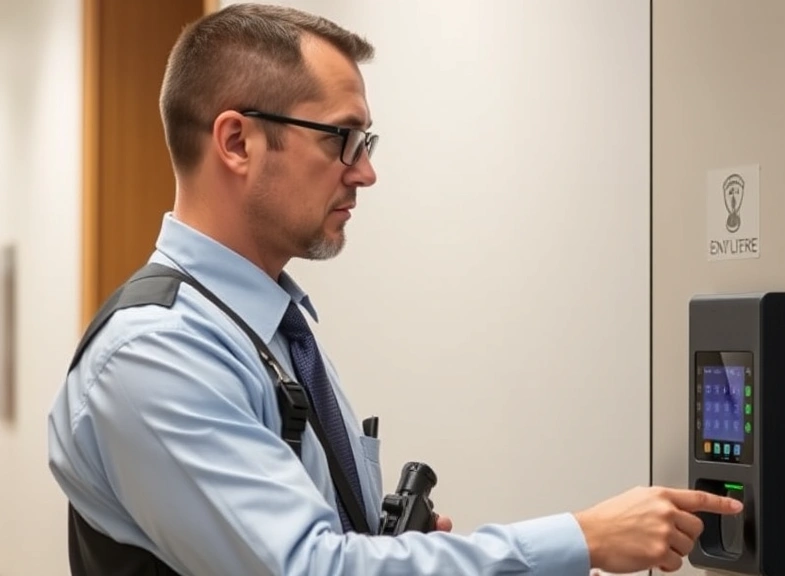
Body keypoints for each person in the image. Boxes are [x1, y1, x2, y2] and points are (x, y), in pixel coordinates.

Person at [46, 3, 742, 575]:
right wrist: (581, 538)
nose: (364, 172)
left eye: (365, 142)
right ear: (237, 142)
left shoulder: (267, 331)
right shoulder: (156, 354)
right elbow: (312, 570)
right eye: (342, 138)